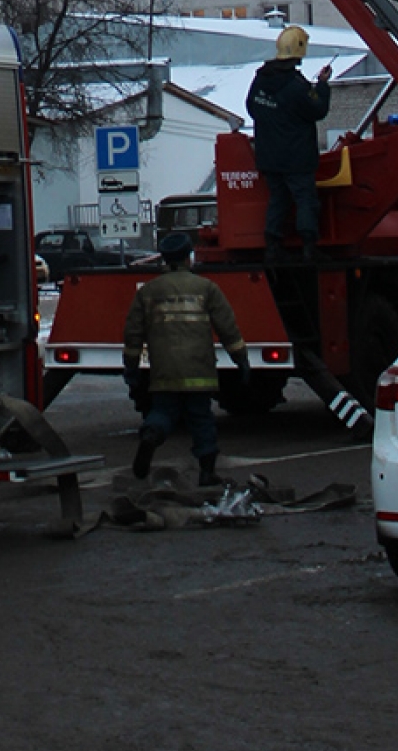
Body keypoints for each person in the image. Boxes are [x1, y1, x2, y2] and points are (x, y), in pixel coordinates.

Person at [122, 231, 250, 485]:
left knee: (163, 412)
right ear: (188, 258)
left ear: (164, 260)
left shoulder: (148, 292)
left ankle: (151, 435)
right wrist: (241, 359)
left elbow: (133, 333)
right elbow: (227, 327)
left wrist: (132, 367)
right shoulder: (206, 288)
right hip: (199, 368)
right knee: (201, 419)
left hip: (164, 370)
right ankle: (207, 472)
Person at [248, 25, 331, 263]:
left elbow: (252, 108)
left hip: (269, 157)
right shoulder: (296, 86)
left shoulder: (261, 80)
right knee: (305, 200)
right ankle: (308, 247)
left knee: (278, 199)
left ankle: (272, 246)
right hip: (296, 158)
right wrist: (323, 86)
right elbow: (317, 109)